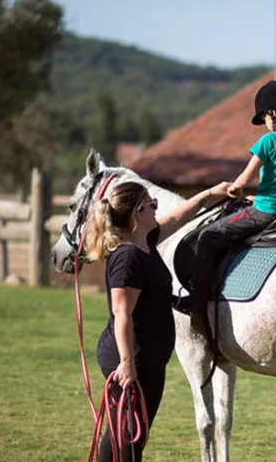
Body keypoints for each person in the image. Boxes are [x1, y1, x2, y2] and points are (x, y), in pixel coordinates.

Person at [84, 179, 230, 462]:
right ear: (136, 214)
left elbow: (178, 216)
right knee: (129, 439)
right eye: (151, 204)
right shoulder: (127, 258)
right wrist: (127, 365)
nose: (156, 207)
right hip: (131, 359)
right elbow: (121, 314)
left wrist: (211, 193)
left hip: (149, 359)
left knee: (125, 435)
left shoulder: (146, 243)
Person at [180, 80, 276, 317]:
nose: (264, 124)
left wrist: (234, 190)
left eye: (263, 117)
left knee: (208, 237)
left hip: (267, 211)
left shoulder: (269, 141)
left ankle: (197, 304)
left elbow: (242, 181)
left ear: (273, 113)